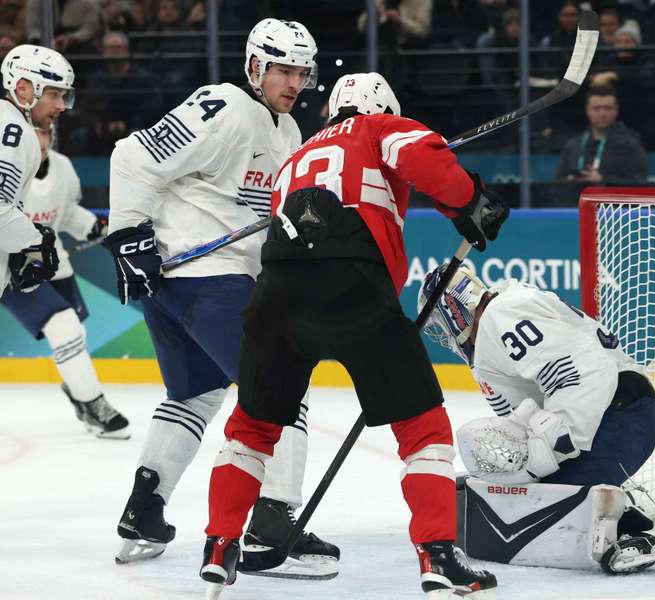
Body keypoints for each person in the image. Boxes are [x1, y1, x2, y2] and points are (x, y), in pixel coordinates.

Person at [200, 72, 508, 598]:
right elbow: (426, 159)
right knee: (423, 428)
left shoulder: (292, 161)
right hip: (353, 287)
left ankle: (220, 544)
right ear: (381, 107)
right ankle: (437, 553)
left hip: (275, 293)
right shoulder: (377, 128)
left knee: (250, 428)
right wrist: (468, 201)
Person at [102, 19, 339, 578]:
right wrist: (129, 235)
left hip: (194, 288)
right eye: (283, 69)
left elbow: (260, 213)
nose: (294, 81)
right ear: (255, 66)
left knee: (196, 396)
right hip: (204, 282)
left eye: (302, 71)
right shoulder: (224, 106)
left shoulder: (285, 131)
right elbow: (132, 157)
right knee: (281, 390)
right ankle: (271, 529)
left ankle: (144, 511)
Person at [417, 264, 655, 573]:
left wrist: (547, 452)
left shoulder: (502, 314)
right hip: (610, 414)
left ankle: (619, 523)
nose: (443, 334)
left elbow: (579, 373)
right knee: (491, 493)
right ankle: (609, 505)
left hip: (621, 414)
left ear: (454, 308)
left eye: (439, 320)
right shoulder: (493, 332)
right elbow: (522, 417)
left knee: (528, 502)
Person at [1, 125, 129, 437]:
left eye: (44, 134)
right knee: (64, 326)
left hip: (53, 262)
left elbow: (67, 211)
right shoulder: (8, 165)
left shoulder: (63, 167)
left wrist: (96, 227)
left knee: (74, 333)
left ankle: (80, 395)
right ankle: (93, 402)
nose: (40, 140)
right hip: (12, 267)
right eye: (34, 133)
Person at [1, 45, 74, 374]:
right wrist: (35, 241)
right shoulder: (13, 133)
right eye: (54, 94)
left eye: (64, 96)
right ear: (23, 88)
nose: (61, 106)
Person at [555, 86, 647, 184]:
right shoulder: (574, 145)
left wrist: (603, 180)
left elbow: (640, 183)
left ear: (616, 110)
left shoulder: (630, 145)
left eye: (608, 108)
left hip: (610, 198)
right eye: (596, 108)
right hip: (575, 197)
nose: (602, 113)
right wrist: (569, 181)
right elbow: (557, 182)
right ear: (588, 110)